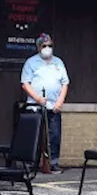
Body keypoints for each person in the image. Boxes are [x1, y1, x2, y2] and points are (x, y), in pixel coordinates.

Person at [21, 32, 69, 173]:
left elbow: (65, 83)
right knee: (34, 135)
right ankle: (31, 163)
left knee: (54, 135)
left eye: (50, 45)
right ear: (38, 47)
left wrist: (60, 101)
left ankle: (53, 163)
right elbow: (25, 83)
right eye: (44, 45)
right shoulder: (31, 62)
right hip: (36, 106)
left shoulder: (58, 62)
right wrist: (38, 98)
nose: (47, 48)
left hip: (53, 106)